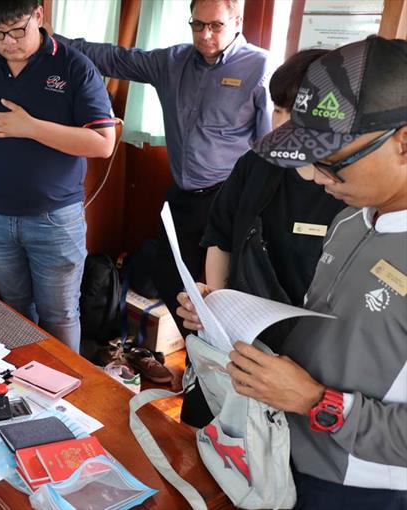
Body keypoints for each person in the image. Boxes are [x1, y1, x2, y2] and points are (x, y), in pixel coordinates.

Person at [179, 37, 407, 508]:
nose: (315, 178)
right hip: (284, 449)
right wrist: (227, 320)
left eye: (332, 163)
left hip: (359, 487)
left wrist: (316, 402)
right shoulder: (351, 218)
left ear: (403, 141)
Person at [50, 0, 272, 338]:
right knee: (169, 276)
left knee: (219, 293)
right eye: (197, 25)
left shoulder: (259, 67)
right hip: (184, 196)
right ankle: (195, 353)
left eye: (215, 25)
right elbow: (115, 58)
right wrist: (52, 41)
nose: (205, 34)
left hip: (229, 201)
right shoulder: (173, 61)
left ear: (237, 21)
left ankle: (212, 365)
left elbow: (268, 150)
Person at [0, 0, 116, 353]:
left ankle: (65, 398)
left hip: (55, 219)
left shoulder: (74, 67)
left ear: (39, 16)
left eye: (17, 31)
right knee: (13, 309)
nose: (8, 42)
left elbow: (103, 142)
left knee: (58, 315)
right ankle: (24, 390)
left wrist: (30, 128)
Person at [176, 48, 345, 427]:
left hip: (304, 356)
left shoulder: (348, 186)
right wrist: (215, 311)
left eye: (294, 113)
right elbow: (221, 238)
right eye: (277, 110)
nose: (281, 124)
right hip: (239, 339)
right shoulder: (257, 164)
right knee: (213, 440)